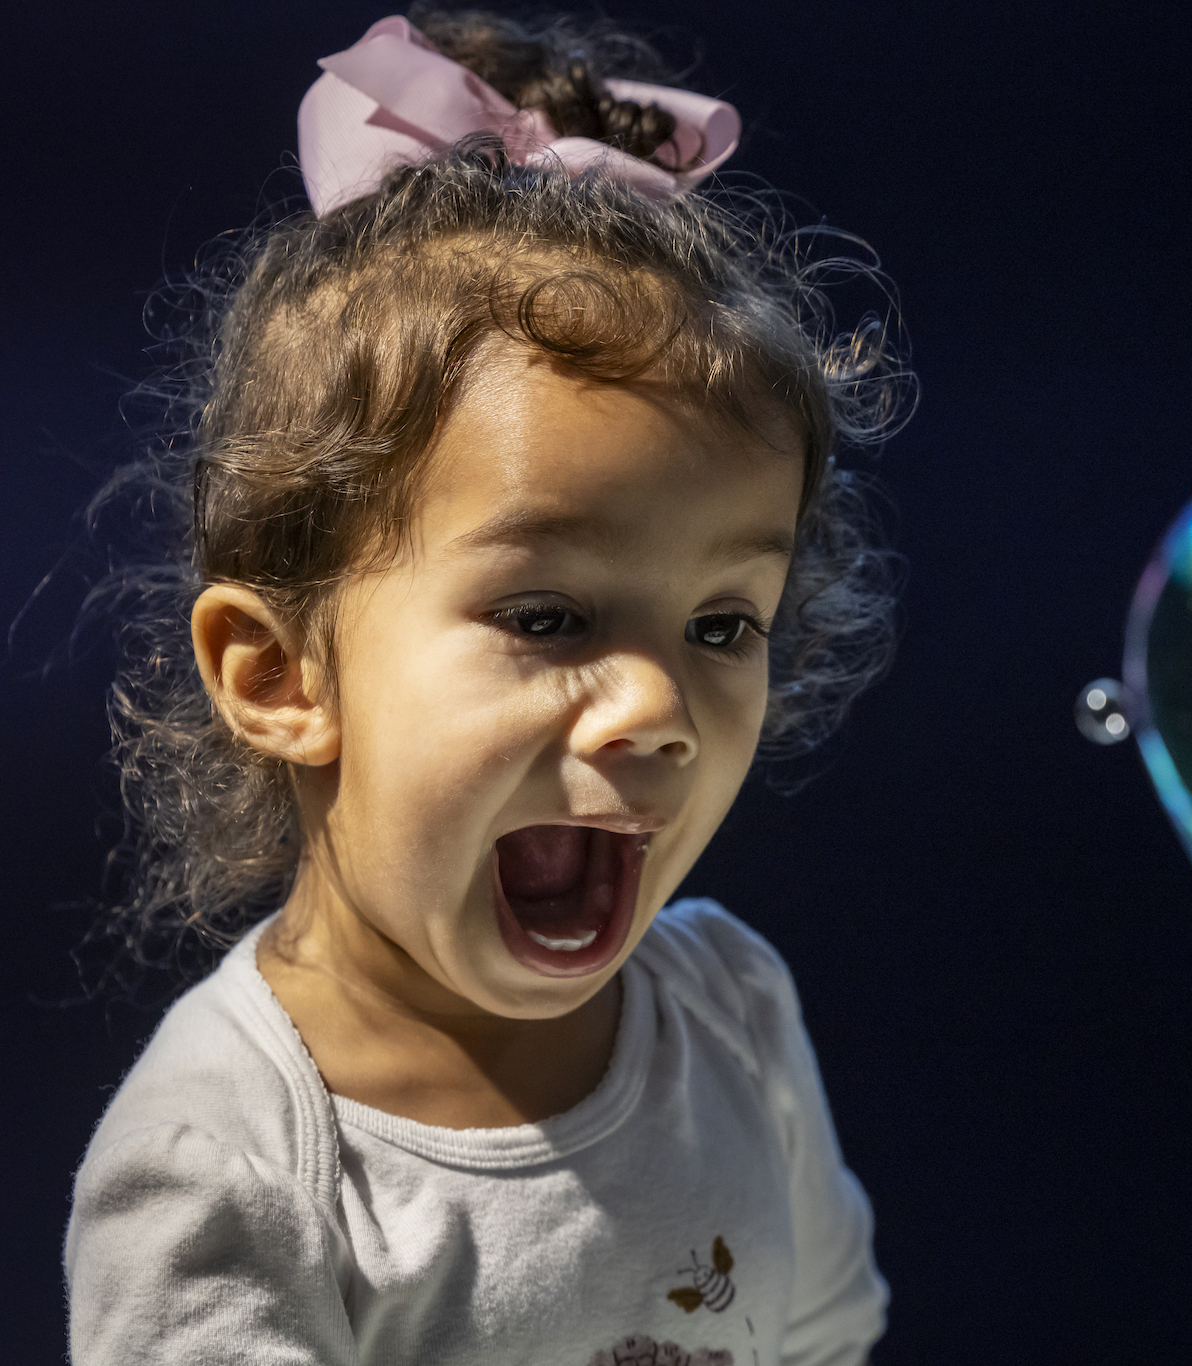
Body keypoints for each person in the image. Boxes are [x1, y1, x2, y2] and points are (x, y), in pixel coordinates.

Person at [63, 9, 906, 1364]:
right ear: (280, 672)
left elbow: (824, 1336)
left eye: (722, 623)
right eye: (548, 613)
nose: (658, 706)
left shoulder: (734, 1017)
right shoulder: (223, 1159)